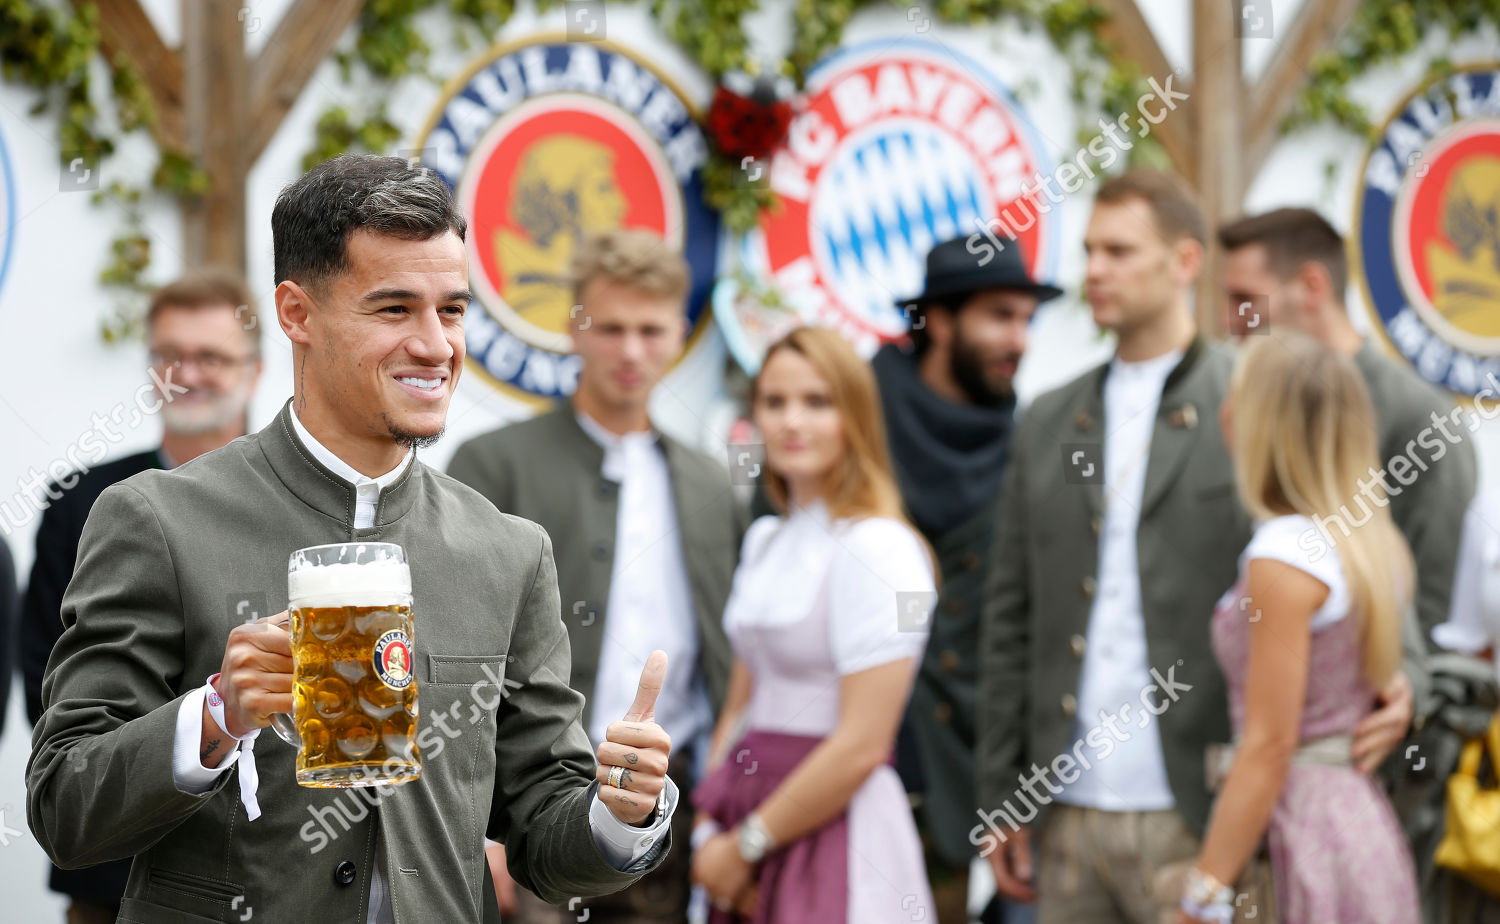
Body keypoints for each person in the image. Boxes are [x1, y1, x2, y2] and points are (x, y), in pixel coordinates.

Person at [26, 154, 678, 923]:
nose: (435, 345)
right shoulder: (154, 518)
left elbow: (543, 824)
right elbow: (64, 809)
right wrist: (216, 715)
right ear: (296, 313)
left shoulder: (510, 551)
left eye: (452, 310)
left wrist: (622, 812)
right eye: (395, 309)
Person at [976, 169, 1413, 923]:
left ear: (1185, 261)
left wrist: (1401, 677)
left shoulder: (1251, 397)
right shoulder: (1047, 419)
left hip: (1204, 806)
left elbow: (1348, 540)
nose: (1095, 270)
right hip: (1064, 807)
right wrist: (1000, 792)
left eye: (1119, 251)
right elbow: (1008, 613)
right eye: (1089, 251)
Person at [448, 228, 742, 922]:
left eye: (651, 329)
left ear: (679, 335)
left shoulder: (711, 484)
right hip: (533, 812)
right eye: (611, 328)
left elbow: (733, 665)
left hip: (671, 814)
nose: (631, 351)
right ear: (574, 328)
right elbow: (454, 658)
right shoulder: (493, 464)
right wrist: (476, 828)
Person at [19, 267, 264, 924]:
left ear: (255, 371)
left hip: (262, 860)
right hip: (112, 866)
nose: (188, 373)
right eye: (169, 355)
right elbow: (47, 677)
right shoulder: (82, 500)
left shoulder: (294, 503)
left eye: (211, 356)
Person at [690, 326, 936, 922]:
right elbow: (739, 707)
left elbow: (863, 744)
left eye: (817, 401)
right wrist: (707, 830)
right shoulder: (766, 540)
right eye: (774, 402)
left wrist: (746, 844)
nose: (792, 421)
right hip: (744, 811)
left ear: (855, 413)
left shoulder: (882, 548)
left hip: (834, 825)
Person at [1177, 331, 1420, 924]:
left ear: (1260, 422)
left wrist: (1201, 896)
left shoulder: (1284, 554)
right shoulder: (1366, 544)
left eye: (1237, 399)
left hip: (1299, 828)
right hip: (1358, 822)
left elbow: (1269, 746)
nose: (1225, 412)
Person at [884, 234, 1061, 924]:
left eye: (1026, 319)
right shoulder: (854, 418)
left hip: (968, 779)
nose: (1018, 339)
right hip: (852, 770)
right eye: (999, 316)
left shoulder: (1031, 440)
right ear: (940, 321)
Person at [1218, 207, 1476, 641]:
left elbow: (1439, 612)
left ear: (1312, 286)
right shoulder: (1245, 399)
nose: (1231, 321)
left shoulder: (1422, 420)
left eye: (1246, 300)